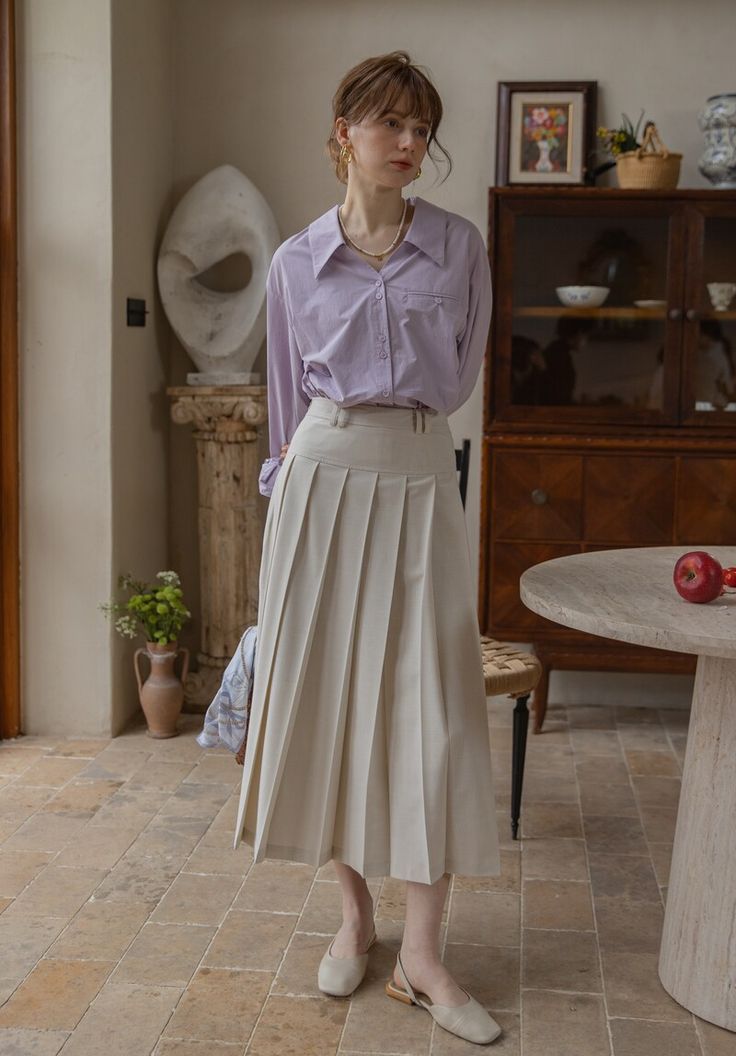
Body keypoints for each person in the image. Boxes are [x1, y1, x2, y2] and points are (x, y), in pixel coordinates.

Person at [233, 51, 501, 1046]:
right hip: (322, 479)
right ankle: (355, 920)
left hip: (422, 476)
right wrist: (287, 515)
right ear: (344, 131)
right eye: (391, 122)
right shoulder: (294, 262)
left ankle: (425, 956)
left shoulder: (460, 247)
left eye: (422, 128)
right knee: (334, 709)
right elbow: (282, 404)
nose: (410, 142)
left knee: (433, 715)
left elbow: (461, 371)